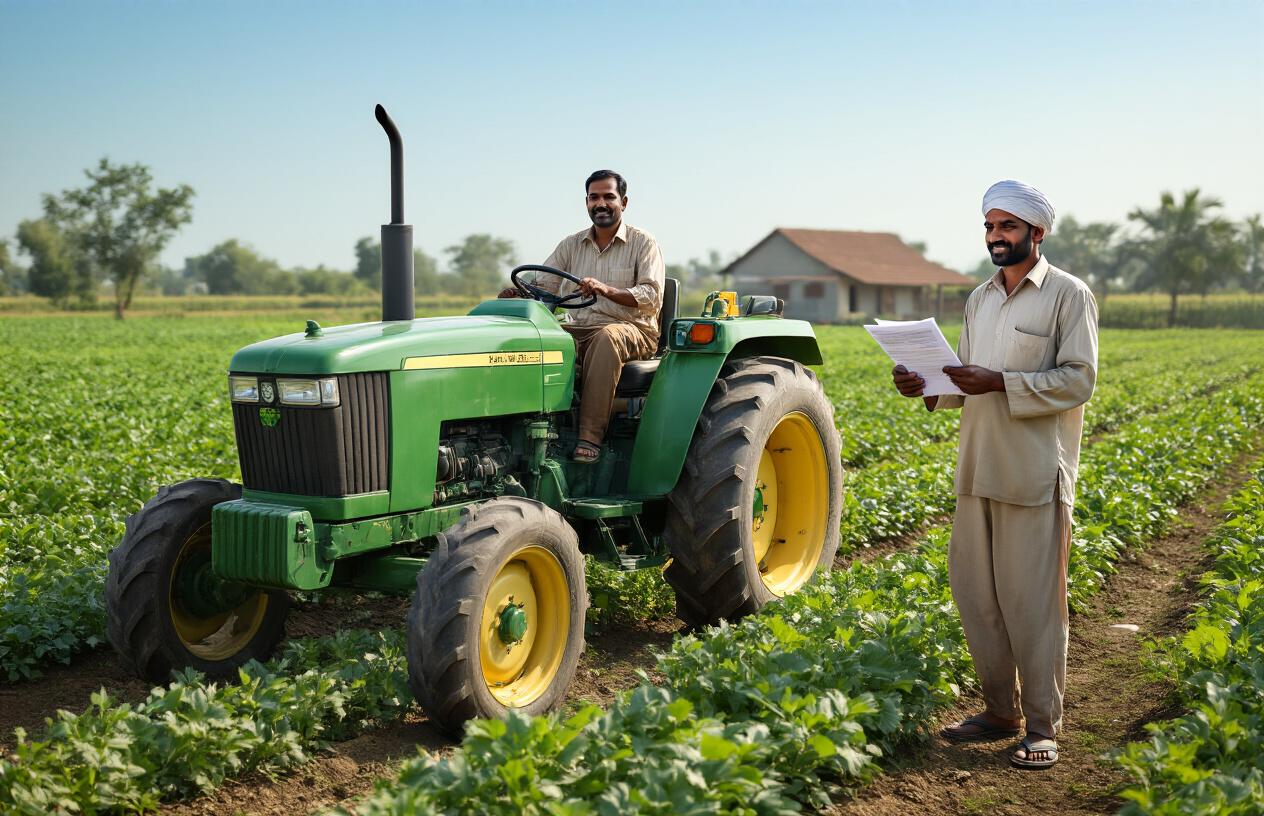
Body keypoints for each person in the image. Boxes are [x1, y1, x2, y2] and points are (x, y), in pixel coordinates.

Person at [891, 180, 1098, 769]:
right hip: (976, 469)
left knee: (1033, 605)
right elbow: (958, 383)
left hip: (1033, 474)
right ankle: (999, 711)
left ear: (1037, 232)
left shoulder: (1067, 295)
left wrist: (1001, 382)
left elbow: (1079, 380)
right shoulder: (979, 298)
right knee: (978, 600)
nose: (995, 237)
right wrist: (923, 387)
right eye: (989, 227)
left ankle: (1041, 726)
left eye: (1007, 227)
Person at [500, 170, 665, 462]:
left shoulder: (643, 243)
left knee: (607, 338)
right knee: (536, 338)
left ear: (623, 202)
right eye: (594, 197)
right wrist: (520, 293)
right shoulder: (571, 245)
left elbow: (651, 298)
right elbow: (544, 288)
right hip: (580, 328)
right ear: (587, 202)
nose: (601, 203)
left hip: (632, 330)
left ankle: (590, 437)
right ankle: (522, 430)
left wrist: (606, 289)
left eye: (608, 197)